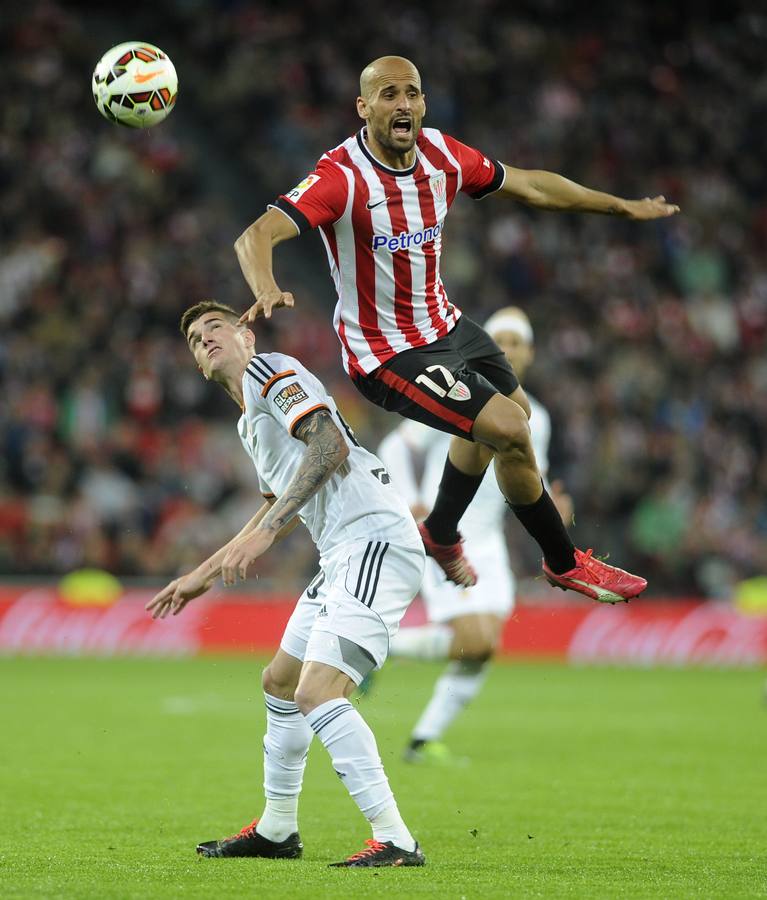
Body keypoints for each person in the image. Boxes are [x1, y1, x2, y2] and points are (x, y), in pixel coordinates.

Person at [233, 55, 679, 603]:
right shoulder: (341, 177)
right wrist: (264, 286)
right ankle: (564, 562)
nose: (403, 105)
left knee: (518, 422)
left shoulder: (443, 155)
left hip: (447, 326)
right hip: (387, 353)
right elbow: (255, 236)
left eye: (413, 94)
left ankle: (441, 533)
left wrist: (620, 208)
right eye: (389, 94)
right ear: (363, 106)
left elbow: (533, 186)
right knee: (508, 430)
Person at [146, 300, 426, 868]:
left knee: (317, 692)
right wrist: (201, 575)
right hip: (341, 553)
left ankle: (396, 839)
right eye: (196, 340)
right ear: (197, 365)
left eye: (216, 328)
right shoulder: (250, 419)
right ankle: (277, 829)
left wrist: (268, 534)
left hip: (373, 540)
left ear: (246, 334)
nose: (206, 340)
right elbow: (277, 500)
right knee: (279, 682)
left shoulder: (270, 373)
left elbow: (330, 448)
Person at [378, 307, 571, 763]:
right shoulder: (456, 389)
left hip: (490, 541)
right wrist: (412, 499)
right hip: (449, 536)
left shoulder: (535, 418)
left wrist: (552, 511)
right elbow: (395, 446)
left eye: (516, 342)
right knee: (476, 641)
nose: (506, 349)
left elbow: (524, 477)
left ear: (529, 353)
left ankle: (423, 739)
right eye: (498, 339)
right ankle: (377, 646)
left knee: (484, 648)